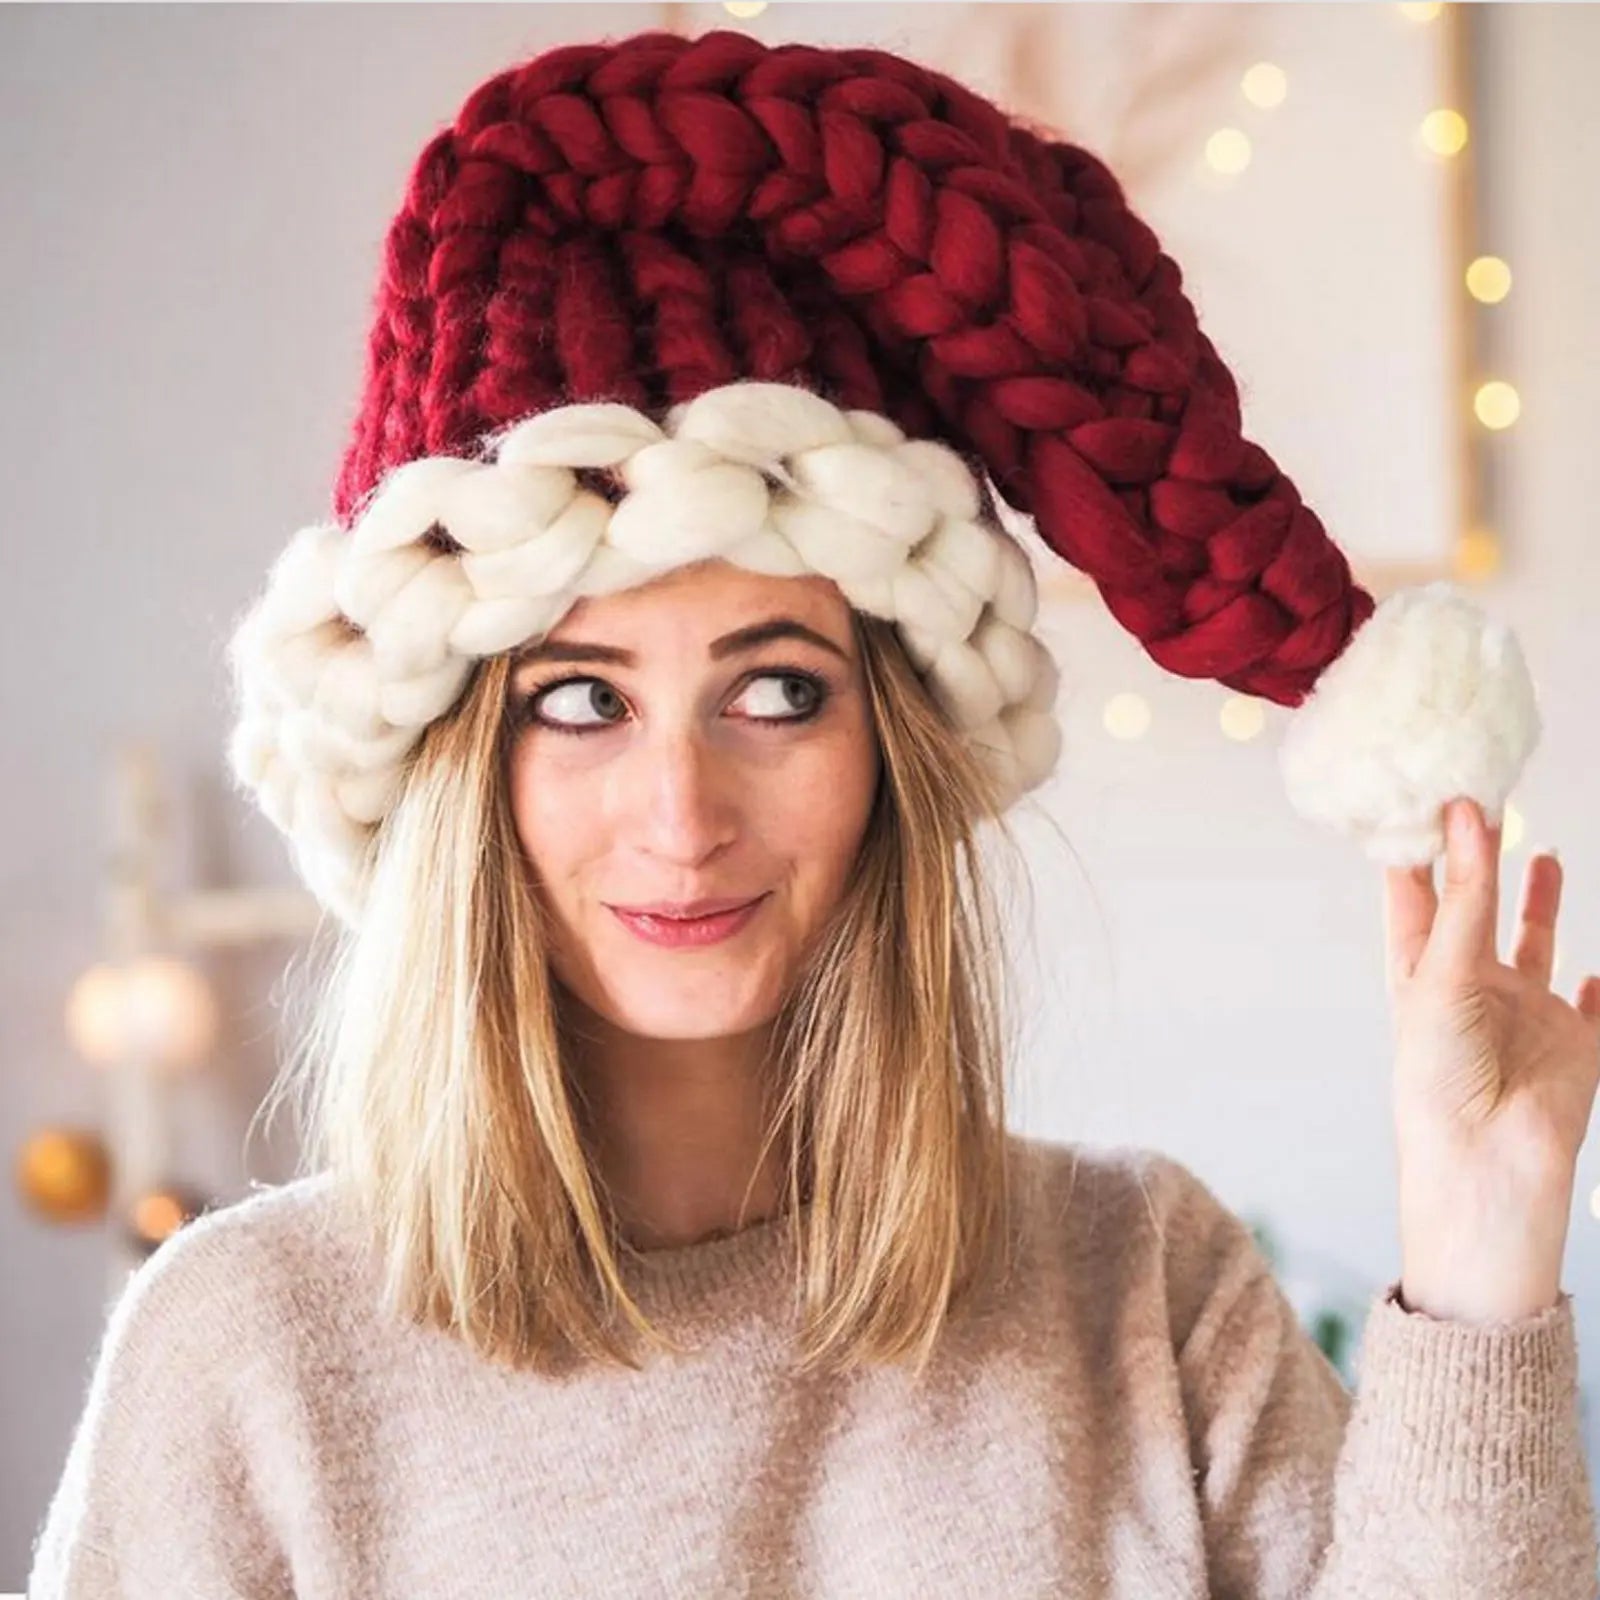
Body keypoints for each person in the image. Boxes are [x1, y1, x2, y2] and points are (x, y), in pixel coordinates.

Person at [28, 26, 1600, 1599]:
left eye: (777, 691)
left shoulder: (1146, 1286)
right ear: (460, 772)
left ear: (891, 750)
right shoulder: (246, 1356)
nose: (682, 809)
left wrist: (1483, 1243)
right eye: (580, 699)